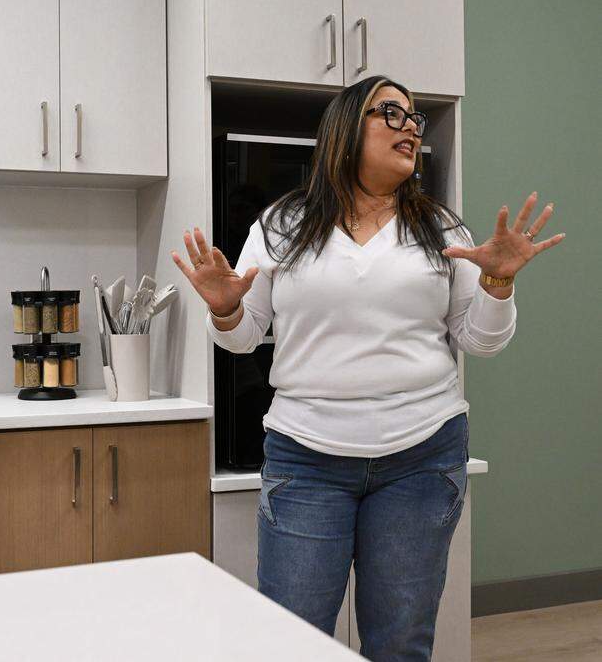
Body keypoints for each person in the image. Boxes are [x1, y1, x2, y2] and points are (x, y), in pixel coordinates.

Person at [171, 75, 565, 662]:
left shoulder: (441, 230)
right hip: (306, 459)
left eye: (415, 119)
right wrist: (226, 308)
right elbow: (242, 336)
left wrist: (497, 283)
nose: (410, 127)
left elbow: (479, 341)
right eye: (391, 113)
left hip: (422, 458)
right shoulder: (282, 225)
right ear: (345, 126)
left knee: (401, 644)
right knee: (290, 641)